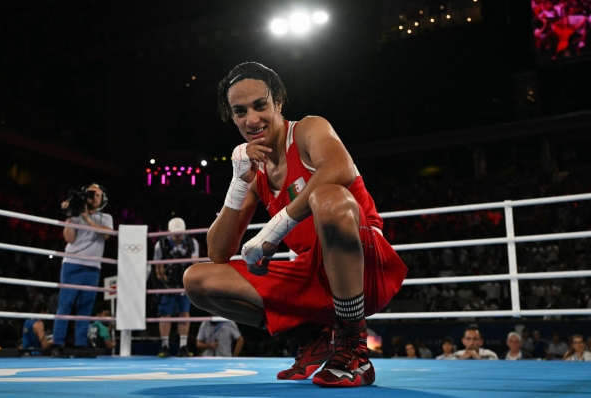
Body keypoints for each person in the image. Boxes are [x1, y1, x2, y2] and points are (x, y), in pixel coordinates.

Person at [184, 61, 408, 388]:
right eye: (240, 111)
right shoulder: (254, 168)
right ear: (231, 116)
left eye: (260, 105)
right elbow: (218, 252)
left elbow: (340, 167)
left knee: (329, 197)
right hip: (312, 276)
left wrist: (274, 229)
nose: (252, 119)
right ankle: (311, 335)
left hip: (364, 265)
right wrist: (238, 184)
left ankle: (354, 347)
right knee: (197, 280)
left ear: (277, 102)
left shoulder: (307, 129)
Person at [52, 183, 113, 358]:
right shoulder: (75, 215)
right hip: (72, 263)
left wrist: (86, 218)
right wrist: (70, 215)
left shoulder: (106, 217)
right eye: (92, 194)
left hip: (93, 267)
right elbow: (69, 239)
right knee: (65, 304)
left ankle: (80, 345)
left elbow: (107, 235)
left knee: (86, 307)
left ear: (102, 199)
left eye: (98, 195)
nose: (95, 197)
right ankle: (58, 344)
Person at [152, 217, 199, 358]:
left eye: (180, 233)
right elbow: (158, 266)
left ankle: (183, 346)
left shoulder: (192, 242)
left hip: (184, 281)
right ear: (169, 232)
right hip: (167, 282)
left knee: (184, 313)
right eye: (175, 233)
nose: (178, 235)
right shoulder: (161, 244)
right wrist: (164, 282)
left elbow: (194, 264)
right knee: (165, 314)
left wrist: (189, 282)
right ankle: (165, 346)